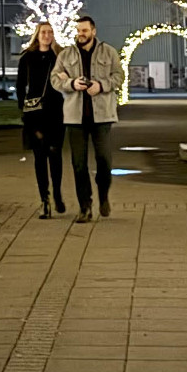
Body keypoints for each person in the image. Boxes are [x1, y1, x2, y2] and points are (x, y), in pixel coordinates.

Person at [51, 13, 124, 222]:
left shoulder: (108, 52)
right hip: (75, 118)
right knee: (79, 164)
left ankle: (103, 196)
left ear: (93, 31)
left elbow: (119, 76)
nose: (80, 34)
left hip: (102, 117)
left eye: (84, 30)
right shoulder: (66, 55)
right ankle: (85, 206)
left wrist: (101, 86)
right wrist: (72, 84)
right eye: (78, 30)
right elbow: (55, 78)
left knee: (104, 161)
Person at [17, 22, 67, 218]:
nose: (47, 35)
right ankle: (44, 199)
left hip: (56, 111)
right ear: (37, 35)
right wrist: (23, 107)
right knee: (40, 157)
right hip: (35, 113)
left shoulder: (59, 55)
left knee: (55, 153)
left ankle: (57, 193)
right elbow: (20, 85)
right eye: (44, 32)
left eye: (50, 32)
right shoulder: (27, 57)